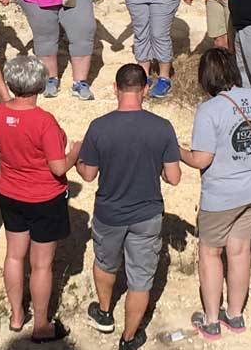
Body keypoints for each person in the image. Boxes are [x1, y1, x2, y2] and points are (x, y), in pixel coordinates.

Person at [77, 64, 182, 350]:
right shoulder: (162, 128)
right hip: (147, 215)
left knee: (106, 262)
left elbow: (88, 175)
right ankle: (129, 337)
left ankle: (104, 312)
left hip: (109, 213)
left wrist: (77, 159)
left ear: (115, 88)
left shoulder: (99, 127)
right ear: (146, 89)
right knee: (140, 279)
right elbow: (173, 178)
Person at [179, 48, 251, 339]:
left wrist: (177, 151)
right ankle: (235, 315)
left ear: (205, 78)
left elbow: (201, 159)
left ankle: (211, 319)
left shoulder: (209, 111)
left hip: (222, 194)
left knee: (211, 252)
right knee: (239, 250)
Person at [0, 56, 81, 343]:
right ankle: (41, 325)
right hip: (45, 197)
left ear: (11, 83)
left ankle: (15, 316)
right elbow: (59, 167)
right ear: (38, 85)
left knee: (14, 254)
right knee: (41, 265)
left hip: (10, 191)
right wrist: (75, 151)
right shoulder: (44, 122)